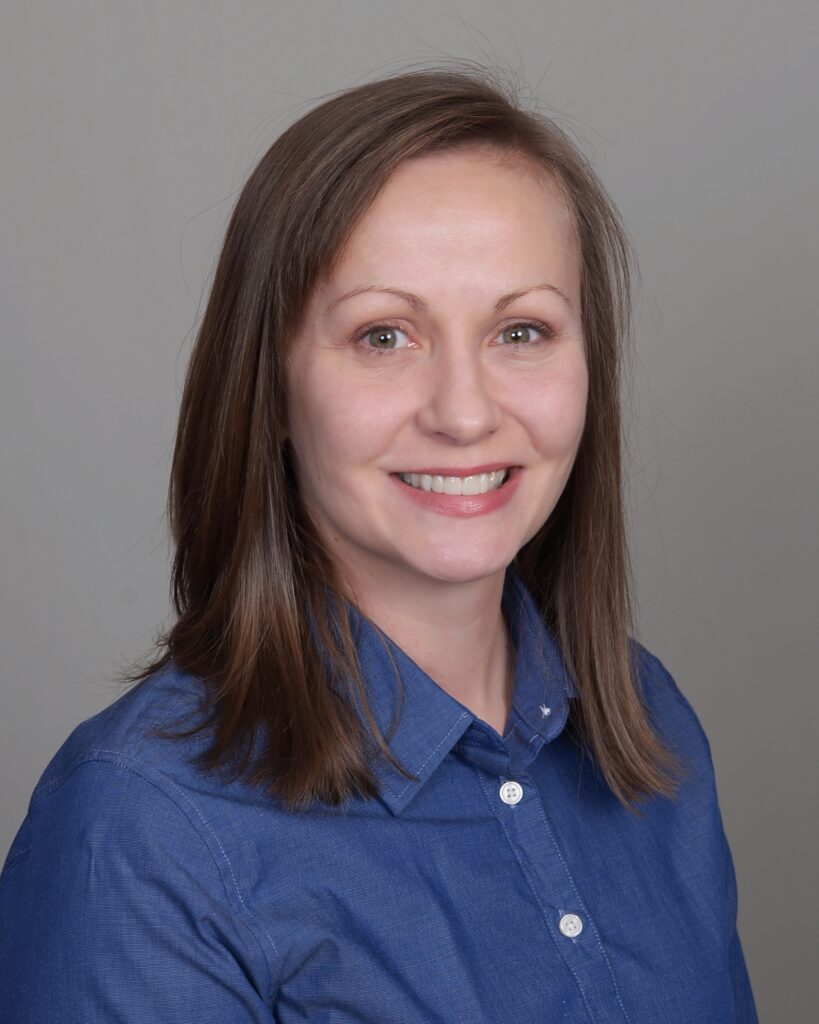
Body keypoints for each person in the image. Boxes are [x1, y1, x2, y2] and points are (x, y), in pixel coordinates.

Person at [0, 65, 758, 1022]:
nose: (464, 411)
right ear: (269, 388)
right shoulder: (141, 830)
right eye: (383, 337)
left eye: (521, 331)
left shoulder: (649, 726)